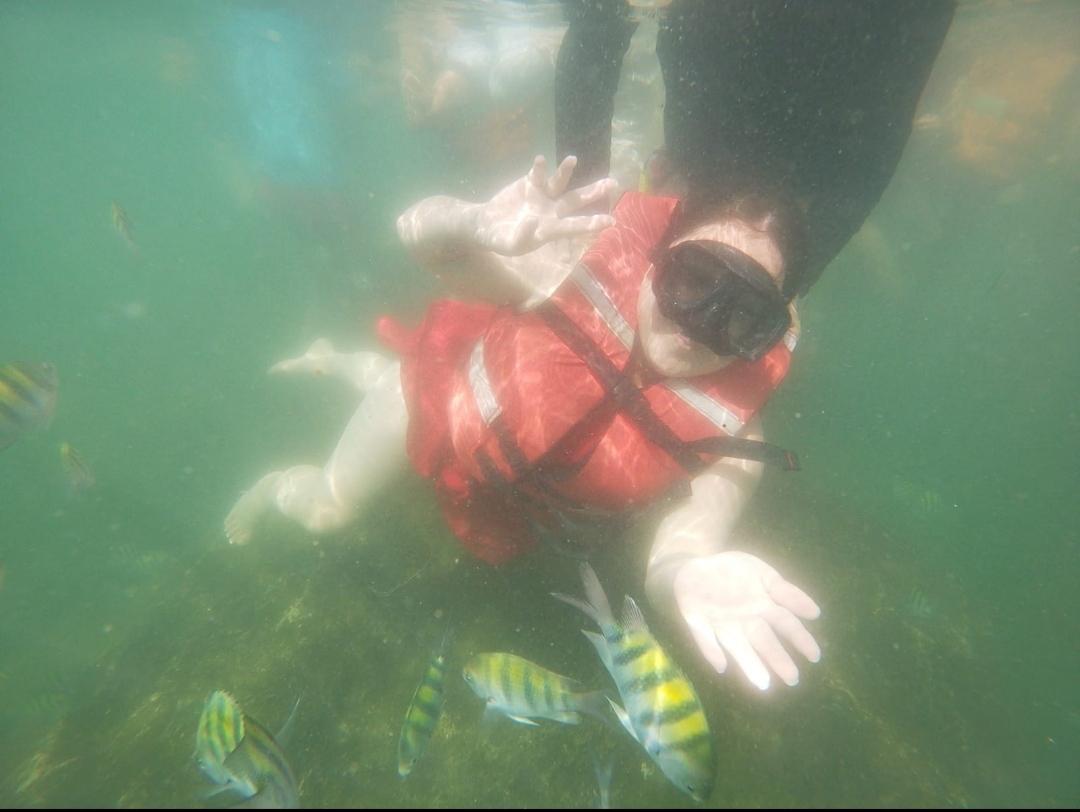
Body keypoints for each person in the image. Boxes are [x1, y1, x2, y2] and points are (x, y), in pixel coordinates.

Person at [226, 1, 956, 693]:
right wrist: (473, 224)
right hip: (438, 410)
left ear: (768, 335)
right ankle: (287, 467)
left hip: (526, 485)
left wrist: (689, 574)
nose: (697, 325)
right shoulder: (563, 275)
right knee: (330, 507)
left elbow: (681, 548)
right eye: (692, 281)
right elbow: (421, 235)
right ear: (653, 261)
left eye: (742, 318)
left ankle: (337, 360)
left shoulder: (735, 440)